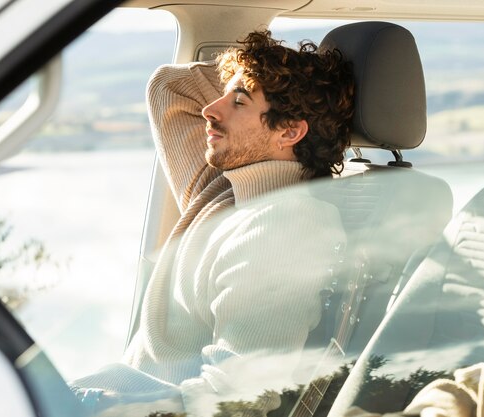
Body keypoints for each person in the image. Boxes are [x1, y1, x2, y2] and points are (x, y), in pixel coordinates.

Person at [70, 30, 355, 417]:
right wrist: (256, 69)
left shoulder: (285, 228)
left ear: (289, 131)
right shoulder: (221, 189)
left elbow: (240, 394)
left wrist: (112, 407)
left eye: (238, 102)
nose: (211, 109)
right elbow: (170, 87)